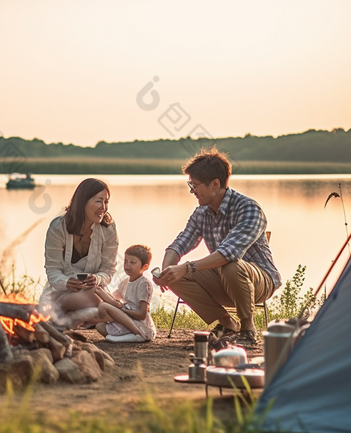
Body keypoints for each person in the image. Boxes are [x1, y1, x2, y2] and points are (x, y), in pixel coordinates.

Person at [154, 147, 281, 347]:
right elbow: (179, 243)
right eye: (190, 184)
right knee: (175, 276)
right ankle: (228, 323)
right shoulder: (201, 213)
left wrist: (187, 267)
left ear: (215, 184)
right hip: (224, 279)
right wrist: (166, 271)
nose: (192, 191)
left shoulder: (248, 208)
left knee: (230, 265)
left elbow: (228, 254)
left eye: (195, 185)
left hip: (259, 281)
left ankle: (248, 329)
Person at [39, 178, 119, 329]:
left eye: (106, 202)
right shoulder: (58, 228)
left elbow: (108, 270)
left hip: (92, 291)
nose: (104, 207)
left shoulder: (108, 229)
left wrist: (97, 278)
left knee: (100, 303)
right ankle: (62, 307)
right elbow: (53, 270)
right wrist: (66, 283)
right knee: (99, 306)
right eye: (98, 201)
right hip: (61, 290)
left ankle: (66, 318)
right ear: (83, 202)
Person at [94, 244, 157, 343]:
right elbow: (114, 301)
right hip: (128, 318)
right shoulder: (124, 283)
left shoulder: (144, 283)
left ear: (145, 267)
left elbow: (142, 315)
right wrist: (97, 289)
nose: (127, 266)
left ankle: (138, 334)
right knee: (99, 326)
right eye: (125, 261)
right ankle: (129, 336)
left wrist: (123, 310)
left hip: (141, 324)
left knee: (103, 306)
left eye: (133, 262)